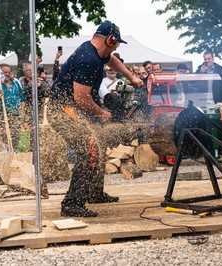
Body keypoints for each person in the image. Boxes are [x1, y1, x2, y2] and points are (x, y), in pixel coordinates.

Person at [51, 20, 143, 217]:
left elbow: (112, 60)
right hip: (63, 111)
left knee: (99, 144)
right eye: (116, 43)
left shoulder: (98, 52)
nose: (117, 46)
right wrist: (101, 113)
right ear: (110, 39)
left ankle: (93, 192)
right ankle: (71, 203)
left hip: (75, 108)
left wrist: (131, 76)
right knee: (88, 148)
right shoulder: (88, 59)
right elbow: (81, 98)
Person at [0, 64, 26, 148]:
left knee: (15, 137)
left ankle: (14, 156)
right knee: (3, 139)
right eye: (5, 72)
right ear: (0, 73)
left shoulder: (16, 83)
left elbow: (22, 98)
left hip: (15, 115)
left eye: (9, 72)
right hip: (1, 116)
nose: (7, 74)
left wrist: (22, 112)